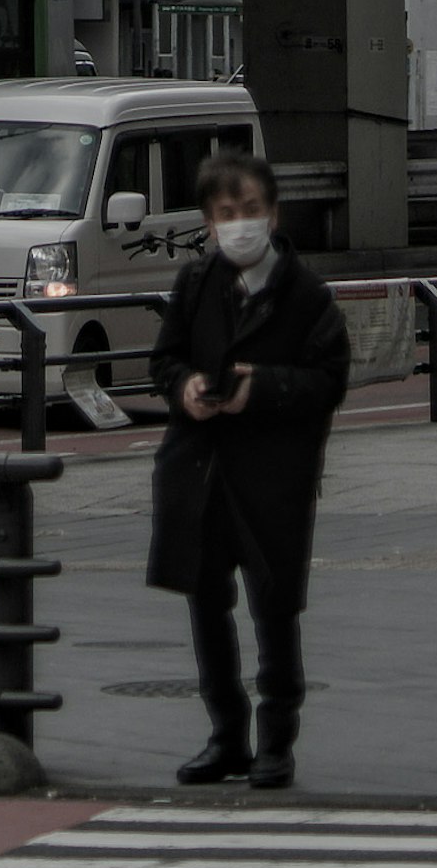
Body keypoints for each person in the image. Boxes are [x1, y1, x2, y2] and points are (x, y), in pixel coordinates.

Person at [145, 154, 351, 790]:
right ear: (208, 222)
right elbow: (166, 360)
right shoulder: (195, 283)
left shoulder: (308, 295)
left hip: (273, 478)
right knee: (207, 608)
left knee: (274, 608)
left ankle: (276, 742)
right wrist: (186, 388)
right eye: (226, 215)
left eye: (251, 211)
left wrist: (259, 390)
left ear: (273, 213)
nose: (240, 225)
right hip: (200, 472)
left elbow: (328, 381)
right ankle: (225, 735)